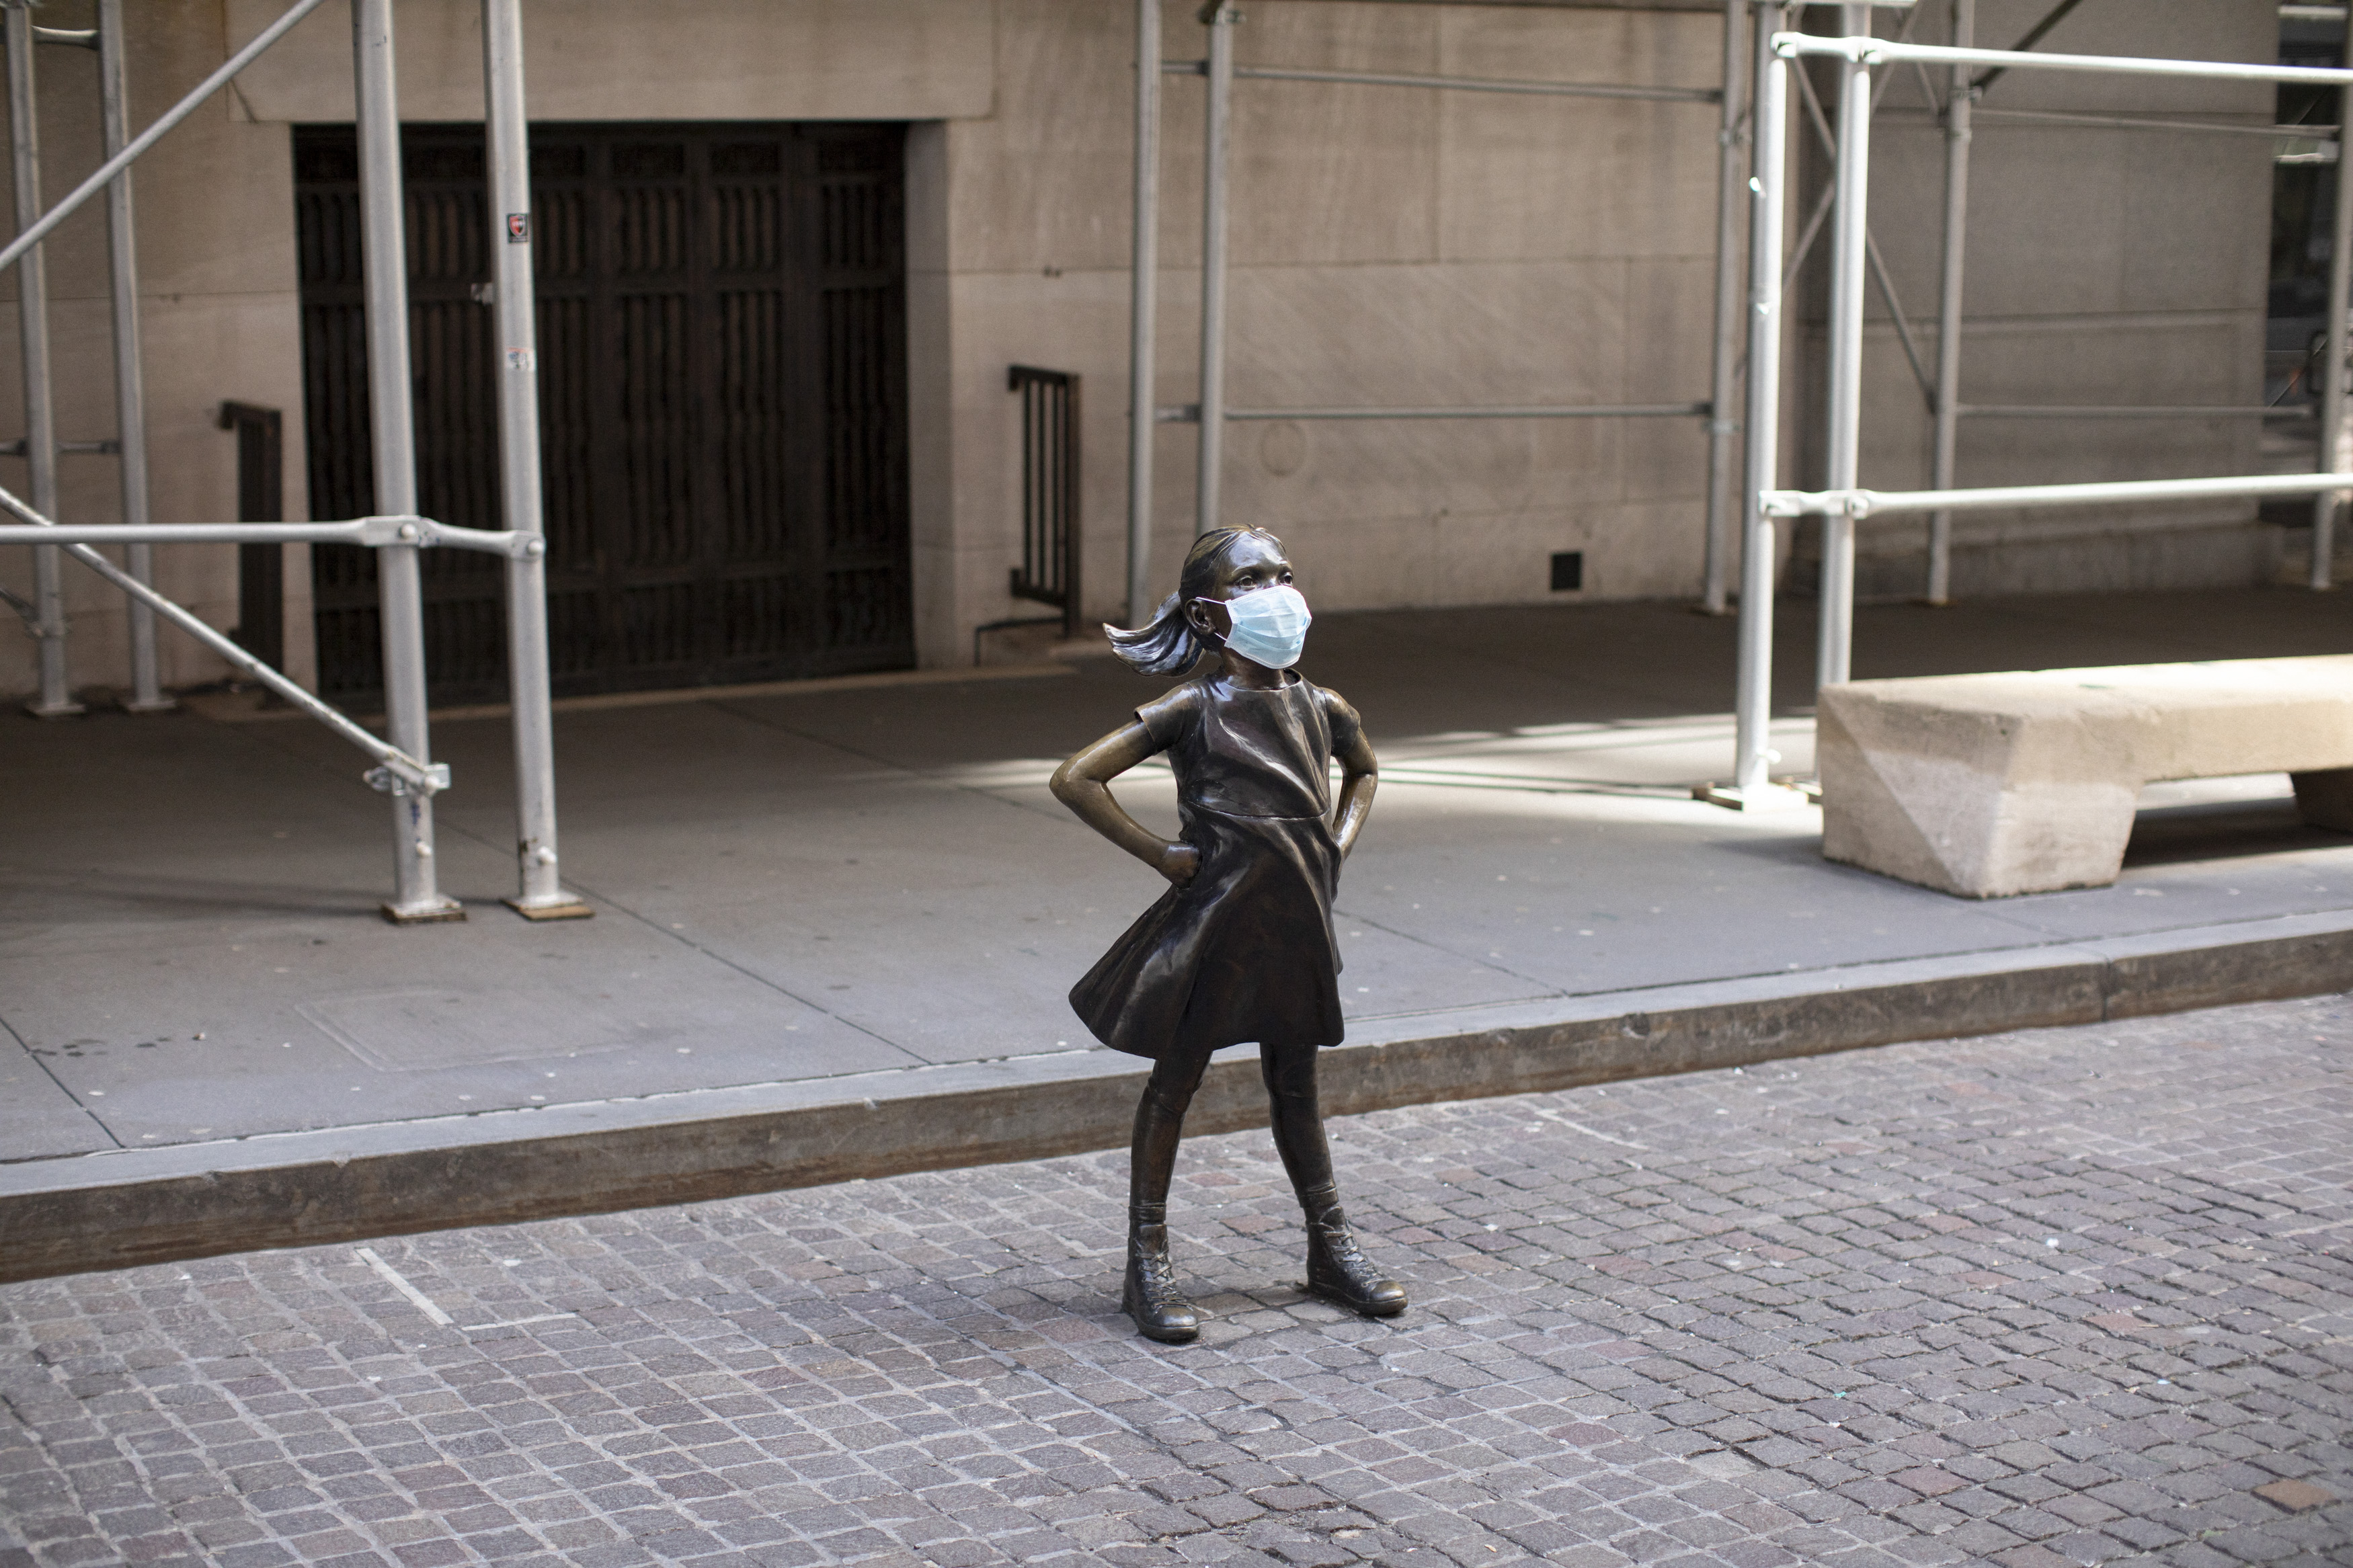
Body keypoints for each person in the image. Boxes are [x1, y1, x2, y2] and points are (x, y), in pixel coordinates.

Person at [1050, 526, 1406, 1344]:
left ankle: (1329, 1244)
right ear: (1208, 615)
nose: (1276, 592)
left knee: (1296, 1084)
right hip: (1214, 922)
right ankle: (1146, 1257)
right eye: (1251, 581)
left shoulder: (1320, 704)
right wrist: (1162, 854)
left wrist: (1334, 844)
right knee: (1175, 1082)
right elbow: (1076, 776)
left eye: (1282, 573)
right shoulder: (1192, 707)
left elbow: (1366, 769)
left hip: (1294, 922)